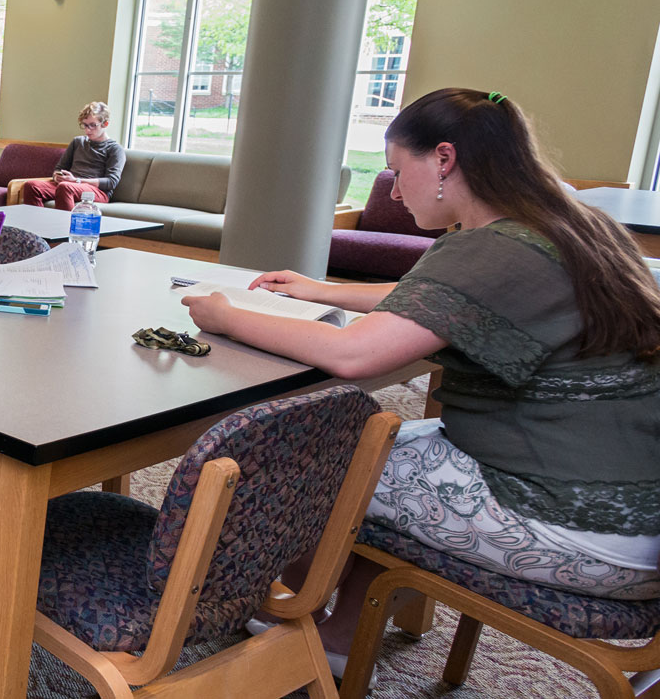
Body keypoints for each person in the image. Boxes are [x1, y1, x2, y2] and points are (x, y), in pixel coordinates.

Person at [178, 88, 660, 664]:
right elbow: (438, 300)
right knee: (381, 442)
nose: (394, 189)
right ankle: (342, 634)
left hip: (570, 523)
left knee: (290, 461)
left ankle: (281, 606)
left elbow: (354, 356)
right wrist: (318, 289)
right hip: (632, 513)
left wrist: (227, 316)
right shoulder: (569, 225)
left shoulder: (492, 247)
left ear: (444, 159)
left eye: (396, 171)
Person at [21, 101, 124, 210]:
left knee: (65, 187)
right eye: (85, 125)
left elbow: (111, 182)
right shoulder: (78, 142)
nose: (87, 129)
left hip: (97, 192)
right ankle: (36, 225)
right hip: (69, 184)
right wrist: (57, 176)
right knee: (31, 186)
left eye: (93, 125)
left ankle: (63, 226)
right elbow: (59, 168)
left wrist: (76, 181)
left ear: (105, 124)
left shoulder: (115, 149)